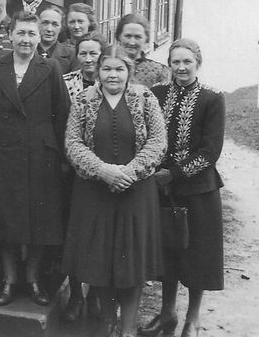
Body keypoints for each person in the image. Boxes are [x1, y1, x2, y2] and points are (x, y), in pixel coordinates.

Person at [63, 45, 166, 337]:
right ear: (98, 70)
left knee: (130, 262)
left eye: (119, 69)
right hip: (95, 193)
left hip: (136, 193)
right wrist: (103, 170)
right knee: (100, 260)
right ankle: (108, 323)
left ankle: (129, 328)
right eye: (107, 68)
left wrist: (129, 172)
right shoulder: (84, 100)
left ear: (129, 71)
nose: (113, 74)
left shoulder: (145, 98)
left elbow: (158, 142)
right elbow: (73, 143)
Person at [0, 11, 71, 307]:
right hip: (5, 157)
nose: (27, 40)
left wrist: (63, 160)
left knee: (39, 223)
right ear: (10, 35)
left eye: (32, 34)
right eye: (21, 33)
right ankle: (9, 280)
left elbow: (63, 115)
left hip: (41, 157)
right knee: (6, 220)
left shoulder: (51, 67)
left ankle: (32, 280)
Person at [141, 39, 225, 337]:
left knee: (198, 254)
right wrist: (155, 172)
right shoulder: (157, 93)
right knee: (167, 254)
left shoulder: (212, 99)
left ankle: (192, 318)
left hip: (199, 189)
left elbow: (210, 151)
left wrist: (173, 173)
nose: (181, 67)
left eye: (187, 61)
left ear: (197, 62)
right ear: (169, 64)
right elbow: (148, 136)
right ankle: (166, 314)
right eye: (175, 62)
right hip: (162, 189)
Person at [60, 31, 107, 323]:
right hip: (71, 169)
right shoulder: (66, 83)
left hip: (104, 170)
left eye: (94, 54)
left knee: (101, 235)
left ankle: (97, 297)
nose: (89, 59)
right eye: (84, 53)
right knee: (75, 233)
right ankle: (76, 294)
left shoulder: (113, 80)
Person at [116, 13, 171, 88]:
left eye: (137, 37)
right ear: (119, 37)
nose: (132, 42)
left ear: (146, 39)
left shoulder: (159, 72)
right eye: (128, 36)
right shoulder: (107, 67)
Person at [37, 5, 75, 73]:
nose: (49, 29)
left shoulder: (71, 55)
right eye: (45, 23)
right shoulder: (26, 51)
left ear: (61, 27)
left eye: (55, 24)